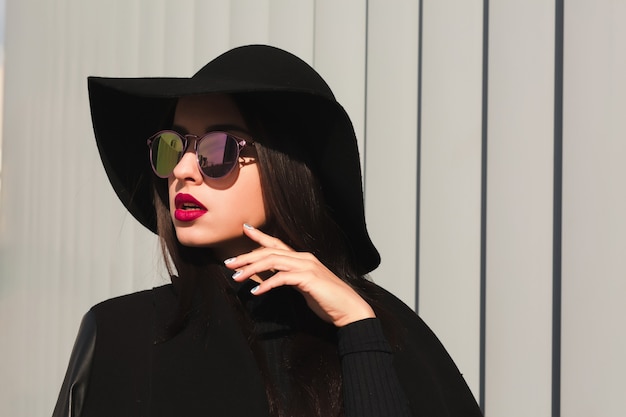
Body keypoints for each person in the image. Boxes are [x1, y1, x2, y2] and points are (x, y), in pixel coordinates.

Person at [53, 44, 483, 417]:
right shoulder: (121, 336)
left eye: (218, 149)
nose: (183, 170)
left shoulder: (388, 334)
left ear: (287, 169)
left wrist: (357, 329)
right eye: (173, 146)